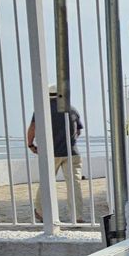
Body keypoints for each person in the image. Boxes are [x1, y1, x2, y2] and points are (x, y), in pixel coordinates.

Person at [27, 85, 85, 223]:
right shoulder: (72, 109)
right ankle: (77, 216)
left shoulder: (41, 110)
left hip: (50, 153)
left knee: (46, 182)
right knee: (74, 184)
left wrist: (31, 145)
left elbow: (32, 128)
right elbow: (78, 131)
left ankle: (41, 212)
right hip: (72, 152)